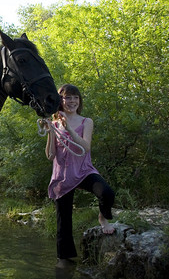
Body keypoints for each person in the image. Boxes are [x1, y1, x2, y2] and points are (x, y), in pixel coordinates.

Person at [43, 84, 115, 263]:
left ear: (79, 100)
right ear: (61, 101)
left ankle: (103, 218)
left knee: (106, 193)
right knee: (63, 222)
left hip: (83, 171)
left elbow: (86, 146)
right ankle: (64, 261)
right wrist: (51, 133)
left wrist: (68, 129)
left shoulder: (86, 121)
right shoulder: (53, 124)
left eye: (75, 97)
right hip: (62, 176)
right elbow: (50, 155)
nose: (72, 101)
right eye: (68, 98)